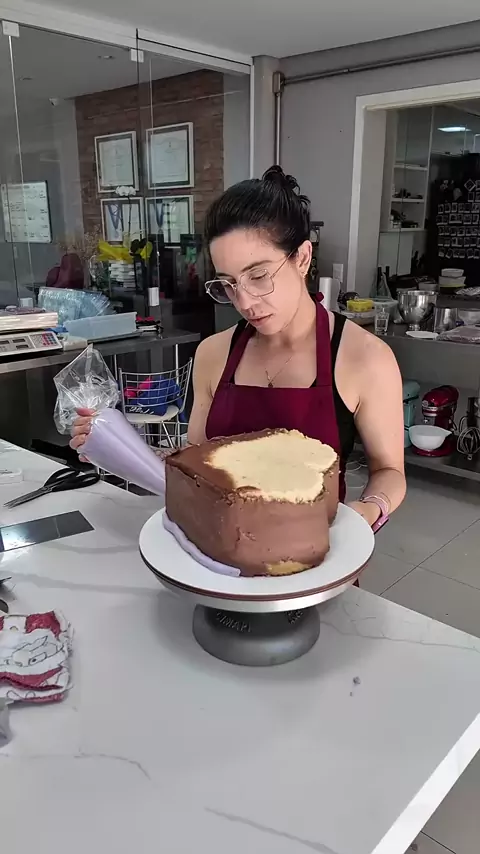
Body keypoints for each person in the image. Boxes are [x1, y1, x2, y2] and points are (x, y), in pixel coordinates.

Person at [71, 166, 405, 531]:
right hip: (217, 541)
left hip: (315, 548)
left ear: (302, 258)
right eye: (228, 284)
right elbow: (197, 462)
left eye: (258, 276)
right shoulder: (214, 354)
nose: (244, 302)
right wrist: (118, 448)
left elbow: (389, 471)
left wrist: (370, 509)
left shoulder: (364, 358)